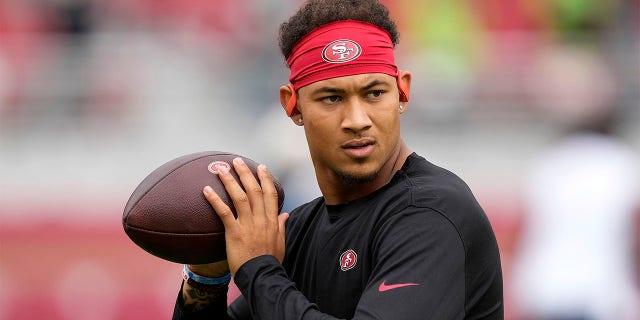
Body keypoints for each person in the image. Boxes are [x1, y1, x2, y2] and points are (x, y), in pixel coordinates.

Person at [172, 0, 503, 319]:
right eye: (332, 98)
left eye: (374, 93)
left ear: (402, 92)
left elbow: (265, 279)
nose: (357, 119)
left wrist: (257, 267)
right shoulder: (299, 231)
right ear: (293, 106)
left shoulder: (433, 214)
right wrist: (205, 282)